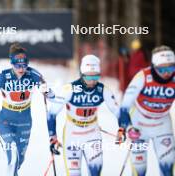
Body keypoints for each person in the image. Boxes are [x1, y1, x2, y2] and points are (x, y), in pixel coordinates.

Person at [0, 43, 53, 176]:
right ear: (12, 63)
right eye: (18, 65)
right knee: (13, 156)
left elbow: (49, 93)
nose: (22, 69)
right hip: (6, 121)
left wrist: (47, 92)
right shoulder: (2, 78)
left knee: (19, 160)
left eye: (24, 65)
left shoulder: (34, 75)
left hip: (25, 122)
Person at [46, 55, 120, 176]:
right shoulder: (69, 89)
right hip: (72, 136)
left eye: (96, 76)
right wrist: (52, 137)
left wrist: (122, 128)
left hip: (92, 134)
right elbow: (51, 114)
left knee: (96, 172)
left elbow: (118, 111)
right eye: (88, 76)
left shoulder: (103, 90)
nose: (92, 80)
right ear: (81, 74)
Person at [117, 45, 175, 176]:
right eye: (162, 68)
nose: (167, 73)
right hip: (140, 124)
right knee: (139, 170)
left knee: (167, 167)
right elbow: (126, 103)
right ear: (154, 65)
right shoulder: (143, 76)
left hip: (162, 124)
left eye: (171, 67)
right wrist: (126, 122)